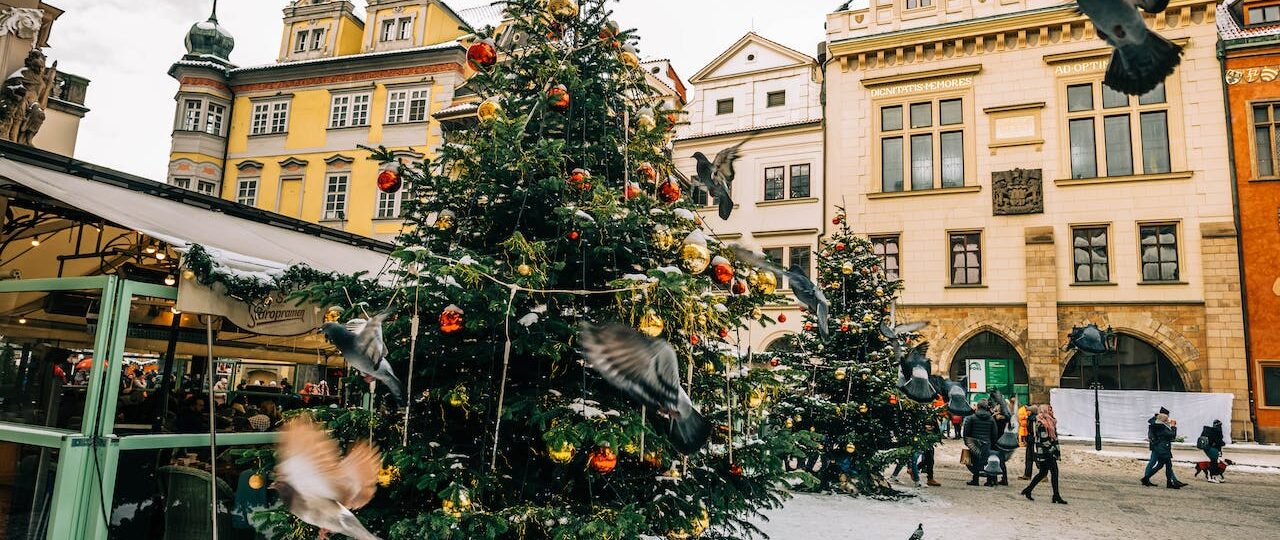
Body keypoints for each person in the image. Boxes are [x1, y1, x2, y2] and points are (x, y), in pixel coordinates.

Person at [1021, 405, 1066, 504]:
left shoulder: (1049, 421)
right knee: (1054, 472)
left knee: (1042, 473)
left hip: (1048, 451)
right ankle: (1056, 495)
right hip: (1047, 452)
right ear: (1044, 410)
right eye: (1049, 410)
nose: (1052, 411)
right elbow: (1044, 439)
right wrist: (1052, 450)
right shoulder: (1042, 422)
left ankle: (1028, 490)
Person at [1141, 413, 1187, 489]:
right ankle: (1147, 479)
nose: (1168, 420)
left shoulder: (1157, 425)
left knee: (1162, 465)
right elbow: (1172, 435)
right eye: (1167, 419)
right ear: (1163, 420)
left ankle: (1147, 479)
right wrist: (1173, 426)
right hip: (1163, 449)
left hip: (1160, 448)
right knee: (1165, 465)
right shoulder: (1161, 427)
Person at [963, 400, 1000, 486]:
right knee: (987, 461)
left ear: (978, 407)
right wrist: (992, 443)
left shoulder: (972, 418)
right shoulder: (991, 419)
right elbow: (994, 433)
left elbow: (966, 431)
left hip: (974, 443)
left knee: (974, 461)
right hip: (987, 443)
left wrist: (967, 442)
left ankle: (975, 480)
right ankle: (989, 481)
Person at [1019, 405, 1039, 480]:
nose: (1027, 412)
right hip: (1030, 440)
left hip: (1033, 441)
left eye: (1029, 411)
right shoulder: (1030, 419)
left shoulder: (1034, 419)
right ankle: (1027, 474)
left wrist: (1033, 440)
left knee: (1036, 457)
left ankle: (1043, 475)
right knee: (1028, 458)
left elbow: (1034, 431)